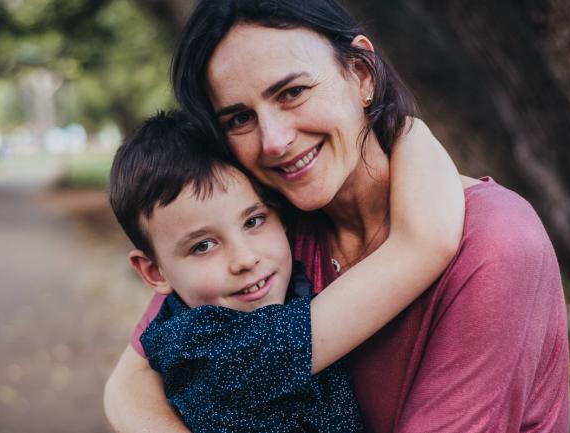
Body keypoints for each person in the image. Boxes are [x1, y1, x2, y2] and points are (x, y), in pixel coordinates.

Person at [104, 1, 570, 432]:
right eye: (239, 119)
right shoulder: (270, 229)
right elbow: (131, 382)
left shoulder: (495, 242)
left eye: (292, 92)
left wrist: (408, 130)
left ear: (363, 74)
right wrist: (408, 128)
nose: (273, 141)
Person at [107, 109, 463, 433]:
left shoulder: (266, 284)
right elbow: (422, 245)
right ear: (155, 272)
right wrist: (405, 127)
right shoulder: (209, 352)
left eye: (254, 220)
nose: (244, 258)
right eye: (203, 245)